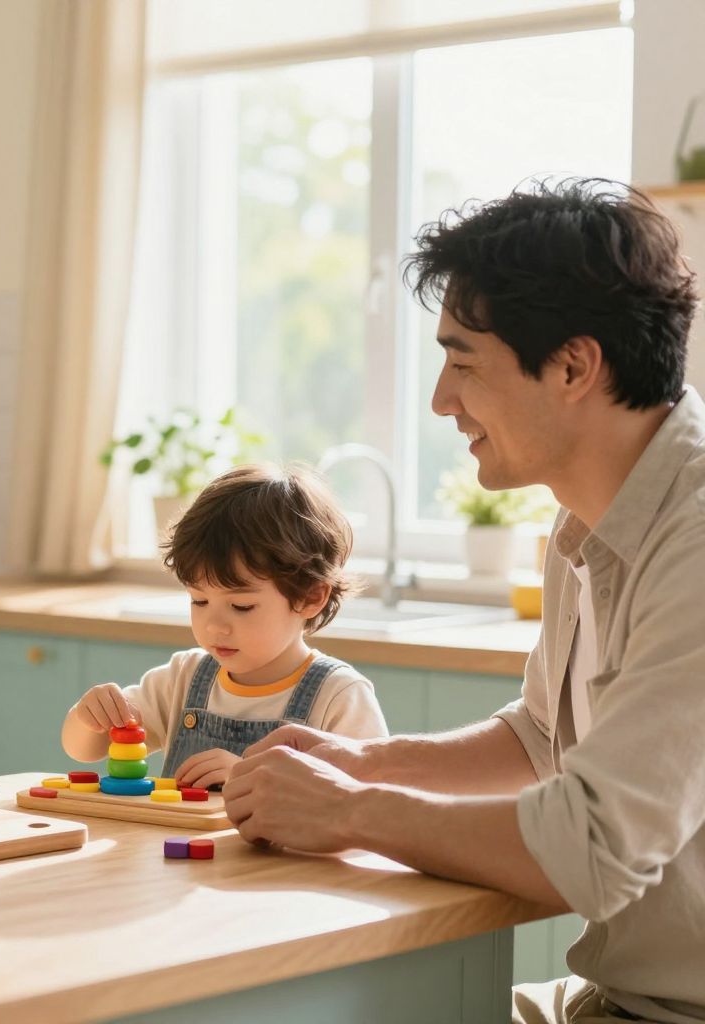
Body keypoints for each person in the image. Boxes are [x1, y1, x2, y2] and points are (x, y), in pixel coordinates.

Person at [224, 179, 704, 1024]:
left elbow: (592, 847)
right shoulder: (591, 514)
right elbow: (542, 737)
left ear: (572, 365)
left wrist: (346, 810)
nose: (443, 400)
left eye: (463, 362)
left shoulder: (694, 541)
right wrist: (363, 762)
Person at [61, 464, 387, 789]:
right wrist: (89, 716)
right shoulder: (184, 678)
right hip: (176, 842)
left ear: (310, 597)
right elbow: (84, 749)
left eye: (241, 606)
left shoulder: (339, 697)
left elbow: (366, 805)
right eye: (199, 601)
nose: (214, 626)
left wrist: (253, 778)